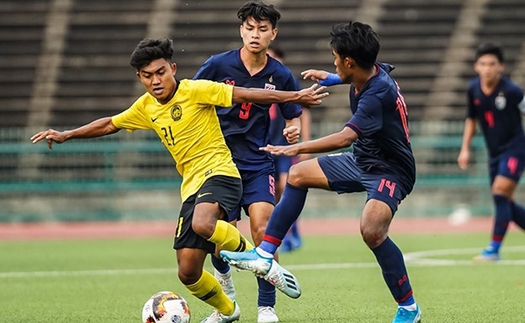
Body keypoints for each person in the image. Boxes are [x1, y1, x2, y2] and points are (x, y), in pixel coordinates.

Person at [30, 37, 327, 323]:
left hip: (222, 171)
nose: (155, 81)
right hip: (192, 186)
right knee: (188, 272)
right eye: (147, 76)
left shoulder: (196, 89)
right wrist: (67, 134)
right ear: (140, 77)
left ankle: (262, 262)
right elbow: (110, 123)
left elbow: (248, 94)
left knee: (204, 223)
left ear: (172, 69)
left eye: (160, 72)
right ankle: (227, 310)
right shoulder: (145, 107)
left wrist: (294, 96)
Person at [220, 21, 422, 323]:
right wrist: (330, 78)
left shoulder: (376, 94)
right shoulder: (371, 72)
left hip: (391, 171)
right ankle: (265, 254)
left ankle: (409, 308)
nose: (334, 61)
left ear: (349, 62)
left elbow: (344, 137)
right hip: (363, 159)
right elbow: (362, 75)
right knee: (299, 175)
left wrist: (294, 148)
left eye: (336, 58)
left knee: (372, 231)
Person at [193, 2, 305, 322]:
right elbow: (192, 96)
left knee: (263, 229)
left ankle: (266, 307)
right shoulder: (217, 65)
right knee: (220, 236)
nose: (255, 35)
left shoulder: (280, 74)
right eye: (250, 28)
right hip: (220, 162)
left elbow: (292, 114)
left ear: (273, 33)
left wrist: (292, 129)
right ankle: (227, 298)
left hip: (258, 162)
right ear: (241, 30)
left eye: (263, 29)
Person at [457, 42, 525, 262]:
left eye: (492, 64)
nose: (487, 68)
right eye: (483, 64)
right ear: (477, 66)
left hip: (516, 149)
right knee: (503, 201)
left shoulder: (512, 91)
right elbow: (471, 119)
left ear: (500, 67)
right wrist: (465, 149)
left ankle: (494, 249)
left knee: (499, 192)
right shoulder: (473, 89)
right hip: (494, 152)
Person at [267, 44, 311, 253]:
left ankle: (294, 233)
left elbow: (304, 113)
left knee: (286, 185)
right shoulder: (258, 82)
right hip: (267, 145)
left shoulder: (286, 81)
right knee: (274, 192)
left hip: (286, 145)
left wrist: (306, 145)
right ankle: (283, 233)